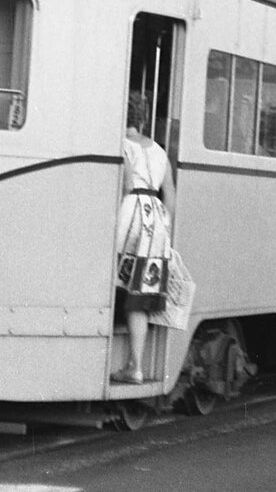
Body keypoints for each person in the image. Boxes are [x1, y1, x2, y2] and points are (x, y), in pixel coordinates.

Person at [112, 93, 174, 385]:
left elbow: (125, 186)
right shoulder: (160, 151)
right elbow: (170, 196)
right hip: (157, 219)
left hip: (131, 212)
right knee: (140, 297)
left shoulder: (121, 145)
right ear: (143, 116)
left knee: (114, 275)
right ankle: (135, 366)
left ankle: (126, 363)